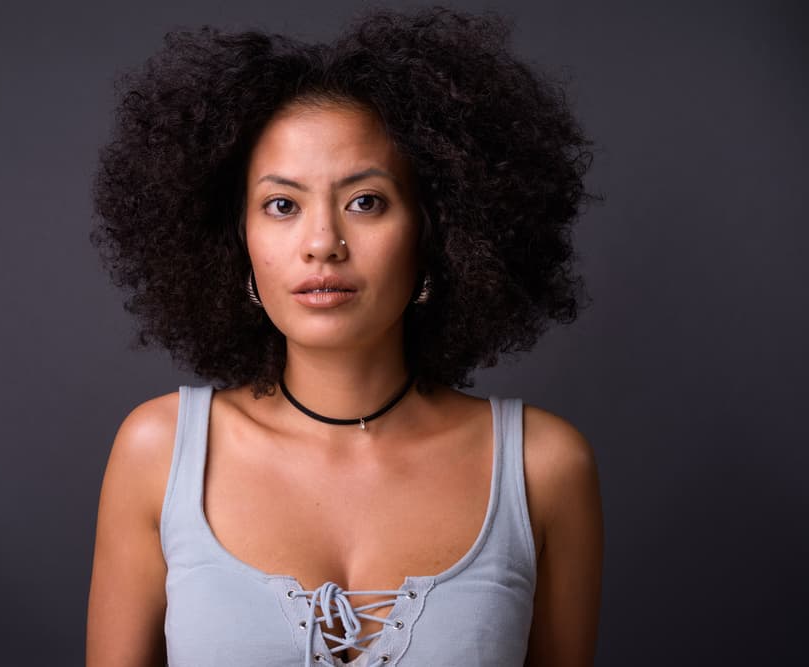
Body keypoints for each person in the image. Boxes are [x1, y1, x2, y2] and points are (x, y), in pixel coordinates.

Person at [85, 6, 603, 666]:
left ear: (436, 229)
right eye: (282, 204)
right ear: (235, 237)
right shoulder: (158, 454)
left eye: (365, 201)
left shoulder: (543, 468)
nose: (322, 243)